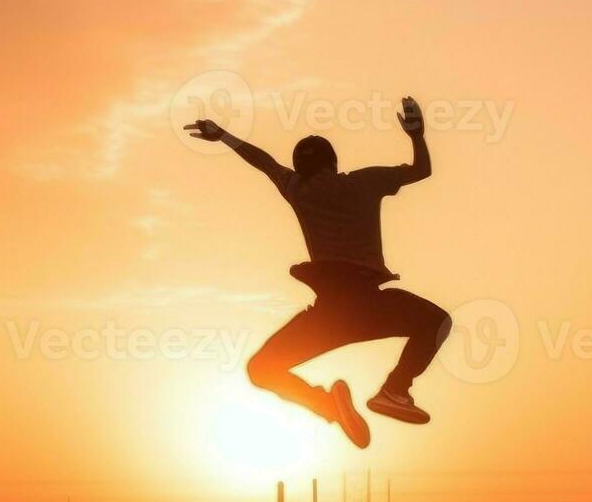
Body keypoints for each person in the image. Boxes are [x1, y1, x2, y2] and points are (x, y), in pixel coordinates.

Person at [185, 96, 451, 449]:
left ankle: (325, 404)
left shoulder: (296, 188)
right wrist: (417, 134)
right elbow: (422, 170)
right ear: (334, 162)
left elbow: (263, 161)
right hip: (373, 306)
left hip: (328, 316)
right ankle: (395, 390)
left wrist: (223, 136)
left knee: (261, 370)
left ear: (300, 167)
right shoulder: (364, 183)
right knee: (438, 321)